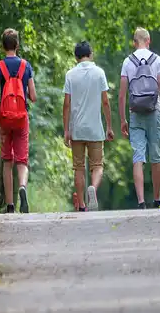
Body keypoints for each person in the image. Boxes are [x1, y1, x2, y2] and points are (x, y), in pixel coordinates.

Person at [118, 27, 160, 209]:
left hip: (135, 113)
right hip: (154, 111)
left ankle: (141, 201)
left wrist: (123, 119)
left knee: (138, 157)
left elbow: (122, 94)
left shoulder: (127, 62)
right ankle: (157, 199)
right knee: (155, 156)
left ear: (134, 42)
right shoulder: (157, 60)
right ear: (149, 41)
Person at [63, 41, 114, 212]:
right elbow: (105, 101)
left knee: (78, 167)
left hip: (77, 129)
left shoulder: (70, 75)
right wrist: (109, 126)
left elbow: (66, 105)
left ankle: (83, 206)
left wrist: (66, 130)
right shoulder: (99, 73)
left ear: (76, 57)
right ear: (91, 54)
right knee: (97, 165)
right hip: (95, 128)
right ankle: (93, 187)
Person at [0, 28, 37, 214]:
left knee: (7, 160)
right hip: (21, 118)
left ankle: (10, 205)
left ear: (3, 46)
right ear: (17, 45)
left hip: (4, 117)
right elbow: (33, 97)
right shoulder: (26, 66)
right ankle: (23, 187)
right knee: (22, 159)